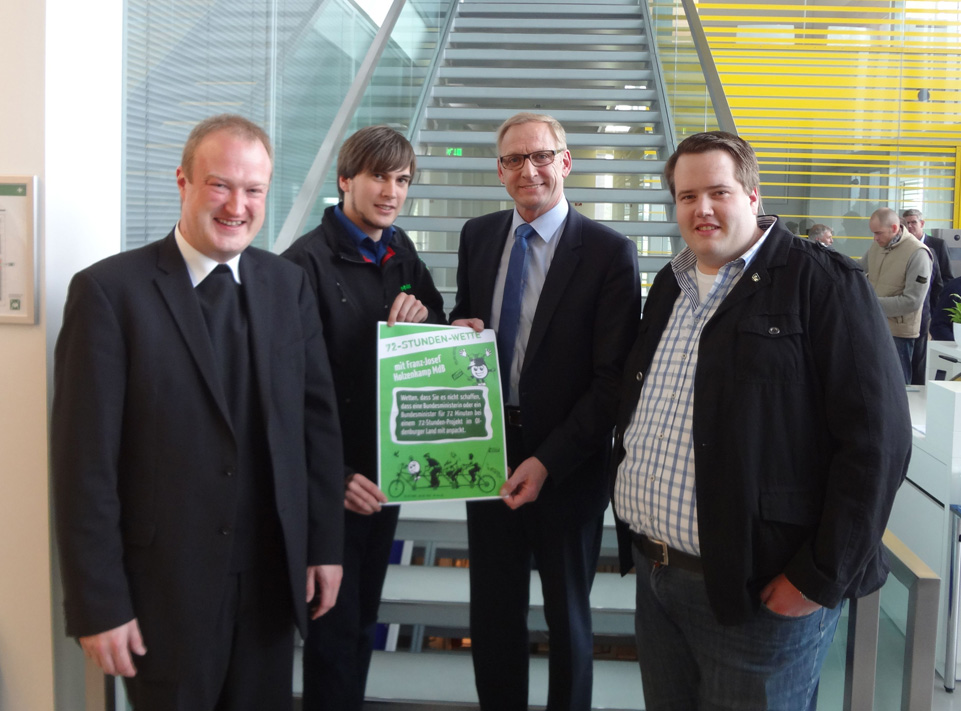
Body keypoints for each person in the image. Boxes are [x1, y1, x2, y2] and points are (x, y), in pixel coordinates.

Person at [51, 114, 345, 710]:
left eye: (254, 189)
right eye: (220, 184)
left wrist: (324, 546)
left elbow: (316, 429)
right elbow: (85, 467)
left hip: (269, 588)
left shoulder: (288, 285)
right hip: (162, 597)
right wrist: (98, 603)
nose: (237, 204)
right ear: (182, 183)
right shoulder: (110, 293)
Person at [612, 131, 910, 711]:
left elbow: (877, 444)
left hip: (760, 595)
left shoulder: (823, 283)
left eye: (718, 192)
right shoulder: (669, 288)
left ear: (752, 193)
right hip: (658, 579)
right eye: (686, 195)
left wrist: (819, 576)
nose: (701, 209)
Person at [450, 112, 640, 710]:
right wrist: (460, 329)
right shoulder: (477, 236)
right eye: (513, 159)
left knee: (568, 617)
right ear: (499, 170)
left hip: (568, 463)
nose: (527, 169)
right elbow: (468, 318)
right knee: (494, 611)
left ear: (565, 161)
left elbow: (612, 382)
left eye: (540, 156)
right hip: (487, 454)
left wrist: (548, 461)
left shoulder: (610, 252)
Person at [282, 124, 445, 711]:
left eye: (402, 180)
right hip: (333, 483)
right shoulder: (301, 263)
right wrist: (335, 474)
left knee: (360, 626)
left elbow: (436, 333)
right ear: (346, 179)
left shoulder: (401, 254)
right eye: (379, 176)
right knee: (329, 635)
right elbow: (284, 393)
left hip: (387, 474)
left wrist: (426, 316)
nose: (392, 192)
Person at [863, 207, 933, 383]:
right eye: (873, 233)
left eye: (878, 233)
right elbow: (858, 270)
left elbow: (912, 301)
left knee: (897, 386)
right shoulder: (877, 246)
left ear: (894, 228)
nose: (875, 238)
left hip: (898, 335)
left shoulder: (918, 253)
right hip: (873, 326)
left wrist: (870, 304)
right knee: (873, 384)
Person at [903, 208, 948, 383]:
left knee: (920, 360)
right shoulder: (901, 246)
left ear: (922, 224)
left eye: (913, 222)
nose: (910, 226)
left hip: (926, 311)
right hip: (905, 313)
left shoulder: (937, 245)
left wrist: (936, 312)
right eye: (906, 223)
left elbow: (943, 280)